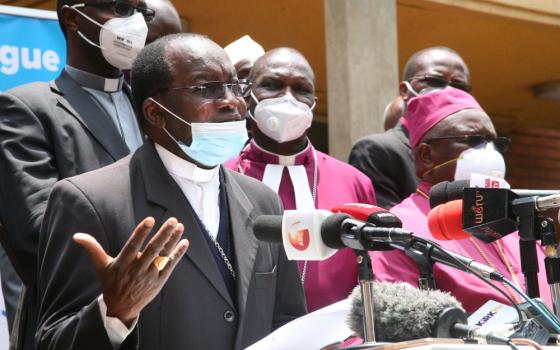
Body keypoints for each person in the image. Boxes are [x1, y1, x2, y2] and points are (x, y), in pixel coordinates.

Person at [36, 33, 306, 350]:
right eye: (206, 89)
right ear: (155, 113)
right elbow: (51, 341)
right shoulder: (91, 201)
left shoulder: (264, 201)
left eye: (234, 86)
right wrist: (113, 313)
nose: (232, 101)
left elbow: (287, 321)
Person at [0, 0, 150, 345]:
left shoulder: (154, 112)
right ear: (72, 16)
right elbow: (40, 238)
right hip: (81, 323)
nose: (137, 22)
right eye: (121, 8)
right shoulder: (26, 109)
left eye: (144, 12)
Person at [370, 87, 552, 312]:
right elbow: (402, 327)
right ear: (426, 156)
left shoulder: (512, 220)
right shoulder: (398, 230)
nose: (490, 152)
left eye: (496, 143)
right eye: (474, 141)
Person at [225, 47, 376, 312]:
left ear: (314, 101)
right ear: (248, 96)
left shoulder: (354, 181)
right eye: (272, 85)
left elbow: (369, 272)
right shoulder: (220, 174)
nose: (288, 98)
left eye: (301, 89)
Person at [349, 47, 471, 209]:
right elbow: (388, 227)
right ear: (405, 91)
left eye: (459, 87)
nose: (447, 93)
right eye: (434, 82)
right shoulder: (376, 150)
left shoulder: (469, 155)